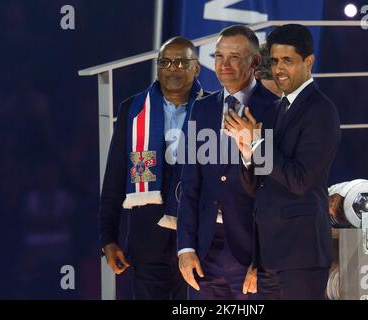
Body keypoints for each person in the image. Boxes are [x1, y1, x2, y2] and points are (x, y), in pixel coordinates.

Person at [225, 24, 341, 299]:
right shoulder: (276, 110)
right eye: (275, 61)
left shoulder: (322, 111)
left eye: (287, 61)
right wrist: (246, 153)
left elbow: (300, 181)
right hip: (268, 256)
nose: (278, 69)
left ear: (309, 62)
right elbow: (258, 188)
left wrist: (257, 144)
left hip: (302, 255)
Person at [99, 36, 206, 299]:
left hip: (199, 240)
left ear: (197, 68)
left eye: (182, 62)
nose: (173, 68)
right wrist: (108, 239)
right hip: (148, 239)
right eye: (166, 62)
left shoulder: (213, 109)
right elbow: (114, 178)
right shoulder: (133, 112)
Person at [177, 25, 279, 300]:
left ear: (255, 62)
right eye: (218, 56)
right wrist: (185, 249)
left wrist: (263, 262)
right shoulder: (201, 108)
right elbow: (189, 186)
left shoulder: (275, 109)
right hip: (204, 251)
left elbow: (276, 194)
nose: (224, 64)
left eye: (234, 57)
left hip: (250, 255)